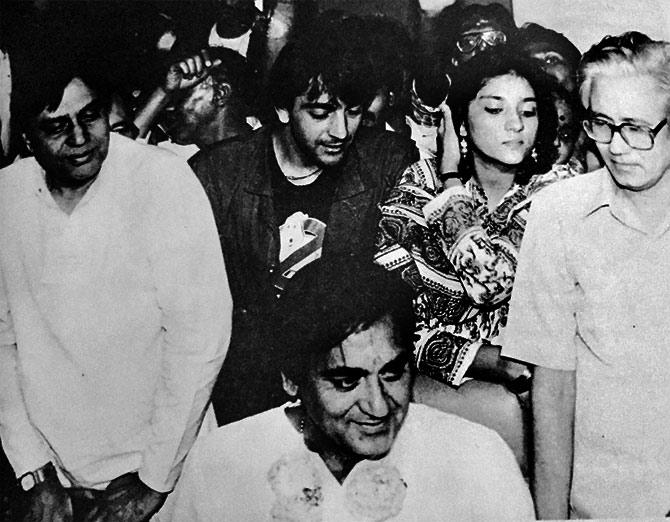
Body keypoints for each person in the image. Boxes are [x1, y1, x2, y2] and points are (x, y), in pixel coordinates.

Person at [1, 51, 232, 521]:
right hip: (56, 483)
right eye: (56, 127)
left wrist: (153, 481)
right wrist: (34, 471)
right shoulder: (7, 197)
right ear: (27, 138)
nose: (81, 138)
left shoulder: (161, 180)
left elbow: (200, 340)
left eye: (90, 116)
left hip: (168, 472)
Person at [160, 258, 535, 521]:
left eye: (392, 374)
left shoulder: (478, 460)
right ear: (291, 377)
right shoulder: (222, 465)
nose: (378, 405)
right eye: (346, 381)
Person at [191, 14, 416, 426]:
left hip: (347, 378)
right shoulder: (218, 174)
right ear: (282, 106)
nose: (340, 130)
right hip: (247, 383)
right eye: (320, 112)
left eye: (351, 111)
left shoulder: (386, 161)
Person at [376, 46, 580, 471]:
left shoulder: (556, 189)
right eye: (494, 109)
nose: (515, 126)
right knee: (499, 408)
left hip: (534, 380)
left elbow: (490, 281)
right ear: (459, 122)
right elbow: (386, 308)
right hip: (427, 371)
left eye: (528, 112)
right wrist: (486, 359)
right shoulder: (419, 181)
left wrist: (452, 188)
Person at [502, 33, 670, 519]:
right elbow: (551, 392)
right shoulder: (559, 213)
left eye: (637, 128)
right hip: (605, 504)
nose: (617, 147)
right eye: (601, 124)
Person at [133, 47, 257, 156]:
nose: (168, 108)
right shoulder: (175, 157)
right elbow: (120, 159)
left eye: (182, 95)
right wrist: (163, 93)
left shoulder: (269, 148)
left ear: (220, 94)